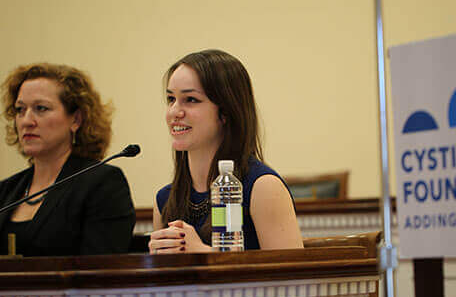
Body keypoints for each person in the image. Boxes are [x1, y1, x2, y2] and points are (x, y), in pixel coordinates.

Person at [149, 49, 303, 253]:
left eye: (191, 100)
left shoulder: (264, 188)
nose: (174, 112)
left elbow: (291, 281)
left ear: (226, 112)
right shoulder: (165, 199)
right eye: (171, 99)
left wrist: (203, 254)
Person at [0, 63, 136, 256]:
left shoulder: (102, 184)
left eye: (41, 108)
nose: (26, 121)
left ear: (76, 120)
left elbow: (100, 273)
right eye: (20, 110)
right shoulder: (5, 190)